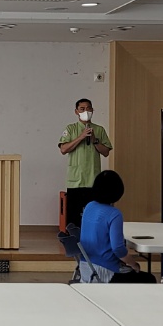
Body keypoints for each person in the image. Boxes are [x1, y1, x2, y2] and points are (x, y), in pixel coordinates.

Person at [78, 171, 153, 284]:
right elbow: (118, 249)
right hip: (106, 272)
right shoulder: (114, 214)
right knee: (149, 279)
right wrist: (134, 264)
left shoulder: (89, 206)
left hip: (86, 268)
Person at [59, 98, 112, 231]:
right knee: (73, 215)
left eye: (88, 108)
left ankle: (92, 238)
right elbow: (63, 149)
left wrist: (94, 140)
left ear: (93, 110)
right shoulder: (71, 129)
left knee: (93, 213)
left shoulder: (99, 129)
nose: (86, 111)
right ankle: (73, 240)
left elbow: (106, 152)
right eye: (82, 109)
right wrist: (81, 137)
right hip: (75, 179)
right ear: (76, 112)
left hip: (93, 179)